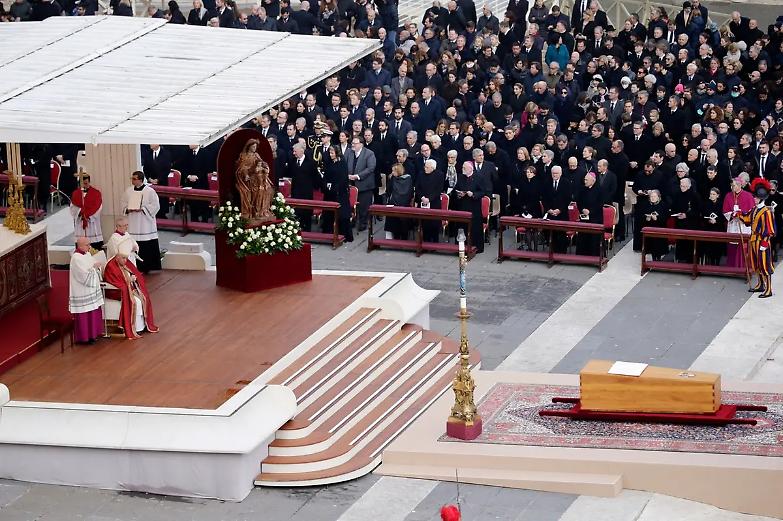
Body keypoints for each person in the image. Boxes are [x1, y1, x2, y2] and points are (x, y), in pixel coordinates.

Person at [104, 253, 160, 339]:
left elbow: (136, 274)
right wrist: (129, 280)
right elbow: (114, 282)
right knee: (136, 302)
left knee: (143, 298)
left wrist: (134, 279)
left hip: (129, 288)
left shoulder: (124, 262)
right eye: (123, 258)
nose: (125, 261)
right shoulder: (111, 266)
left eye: (126, 258)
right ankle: (135, 328)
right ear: (117, 257)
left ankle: (142, 326)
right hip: (116, 292)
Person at [738, 178, 776, 298]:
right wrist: (738, 213)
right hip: (754, 240)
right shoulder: (754, 209)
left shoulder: (766, 212)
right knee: (757, 264)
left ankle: (768, 289)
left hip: (762, 242)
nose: (754, 199)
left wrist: (764, 244)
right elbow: (747, 219)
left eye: (755, 197)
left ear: (761, 198)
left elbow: (770, 231)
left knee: (764, 265)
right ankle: (760, 285)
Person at [122, 171, 162, 273]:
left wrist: (143, 209)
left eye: (134, 179)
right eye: (132, 178)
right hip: (133, 221)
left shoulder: (150, 191)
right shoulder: (128, 191)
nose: (132, 180)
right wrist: (128, 209)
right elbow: (123, 203)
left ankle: (147, 267)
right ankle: (135, 267)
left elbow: (156, 205)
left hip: (145, 223)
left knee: (146, 244)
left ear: (140, 180)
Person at [69, 237, 104, 345]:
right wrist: (94, 268)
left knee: (93, 311)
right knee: (84, 314)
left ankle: (93, 335)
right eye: (87, 245)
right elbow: (83, 275)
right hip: (82, 290)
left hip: (91, 290)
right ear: (80, 246)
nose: (89, 247)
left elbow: (93, 265)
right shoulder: (76, 258)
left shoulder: (87, 254)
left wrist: (96, 267)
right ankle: (84, 338)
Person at [454, 161, 491, 253]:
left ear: (470, 168)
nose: (462, 169)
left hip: (474, 207)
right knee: (462, 227)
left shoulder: (479, 177)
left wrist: (473, 194)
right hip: (462, 206)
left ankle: (476, 247)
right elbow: (456, 189)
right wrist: (459, 194)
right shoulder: (460, 177)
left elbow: (483, 192)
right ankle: (462, 246)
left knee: (475, 228)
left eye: (464, 168)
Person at [235, 139, 275, 222]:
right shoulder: (243, 155)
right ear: (249, 146)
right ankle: (256, 211)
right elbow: (241, 168)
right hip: (248, 179)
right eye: (253, 146)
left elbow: (262, 163)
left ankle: (263, 211)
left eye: (256, 147)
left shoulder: (256, 155)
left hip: (258, 176)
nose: (254, 148)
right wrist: (246, 174)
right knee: (257, 190)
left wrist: (265, 167)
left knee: (268, 189)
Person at [344, 137, 377, 231]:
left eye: (355, 143)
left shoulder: (369, 153)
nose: (353, 145)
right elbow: (344, 164)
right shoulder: (349, 152)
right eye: (352, 143)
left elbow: (371, 168)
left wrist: (357, 176)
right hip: (351, 184)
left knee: (364, 206)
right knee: (350, 204)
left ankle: (363, 223)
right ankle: (352, 221)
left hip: (365, 184)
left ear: (361, 144)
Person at [322, 145, 353, 242]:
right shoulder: (328, 162)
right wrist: (326, 185)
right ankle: (328, 233)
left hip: (340, 193)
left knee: (342, 215)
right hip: (329, 193)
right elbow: (326, 175)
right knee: (328, 214)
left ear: (337, 153)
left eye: (332, 153)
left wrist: (335, 188)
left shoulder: (342, 163)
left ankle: (343, 235)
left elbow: (343, 178)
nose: (330, 155)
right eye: (330, 153)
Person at [722, 178, 754, 268]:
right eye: (731, 185)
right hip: (733, 225)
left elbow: (751, 212)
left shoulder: (748, 196)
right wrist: (732, 214)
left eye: (734, 185)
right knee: (732, 246)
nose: (732, 187)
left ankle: (744, 267)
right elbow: (725, 211)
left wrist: (742, 215)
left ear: (739, 185)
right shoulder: (728, 196)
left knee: (744, 247)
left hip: (743, 226)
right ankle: (732, 267)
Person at [70, 172, 103, 251]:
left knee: (94, 248)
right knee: (81, 244)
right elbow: (72, 207)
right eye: (83, 184)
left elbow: (98, 207)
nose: (85, 185)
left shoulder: (96, 193)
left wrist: (88, 216)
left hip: (92, 223)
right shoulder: (76, 193)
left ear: (89, 182)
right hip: (80, 223)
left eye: (86, 183)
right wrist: (80, 213)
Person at [384, 163, 414, 239]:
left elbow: (409, 192)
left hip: (402, 204)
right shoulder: (393, 178)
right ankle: (398, 237)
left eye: (393, 171)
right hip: (398, 204)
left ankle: (402, 238)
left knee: (401, 223)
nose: (392, 172)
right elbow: (388, 191)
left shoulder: (407, 179)